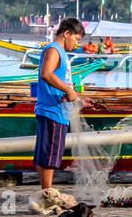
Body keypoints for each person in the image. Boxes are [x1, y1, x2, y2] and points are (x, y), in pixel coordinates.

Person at [34, 18, 95, 191]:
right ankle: (48, 194)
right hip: (53, 111)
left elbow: (64, 83)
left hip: (57, 110)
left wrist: (79, 99)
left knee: (46, 155)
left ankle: (45, 192)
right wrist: (68, 92)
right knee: (49, 157)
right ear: (66, 33)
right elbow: (46, 74)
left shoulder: (60, 52)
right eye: (76, 39)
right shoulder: (54, 49)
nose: (77, 44)